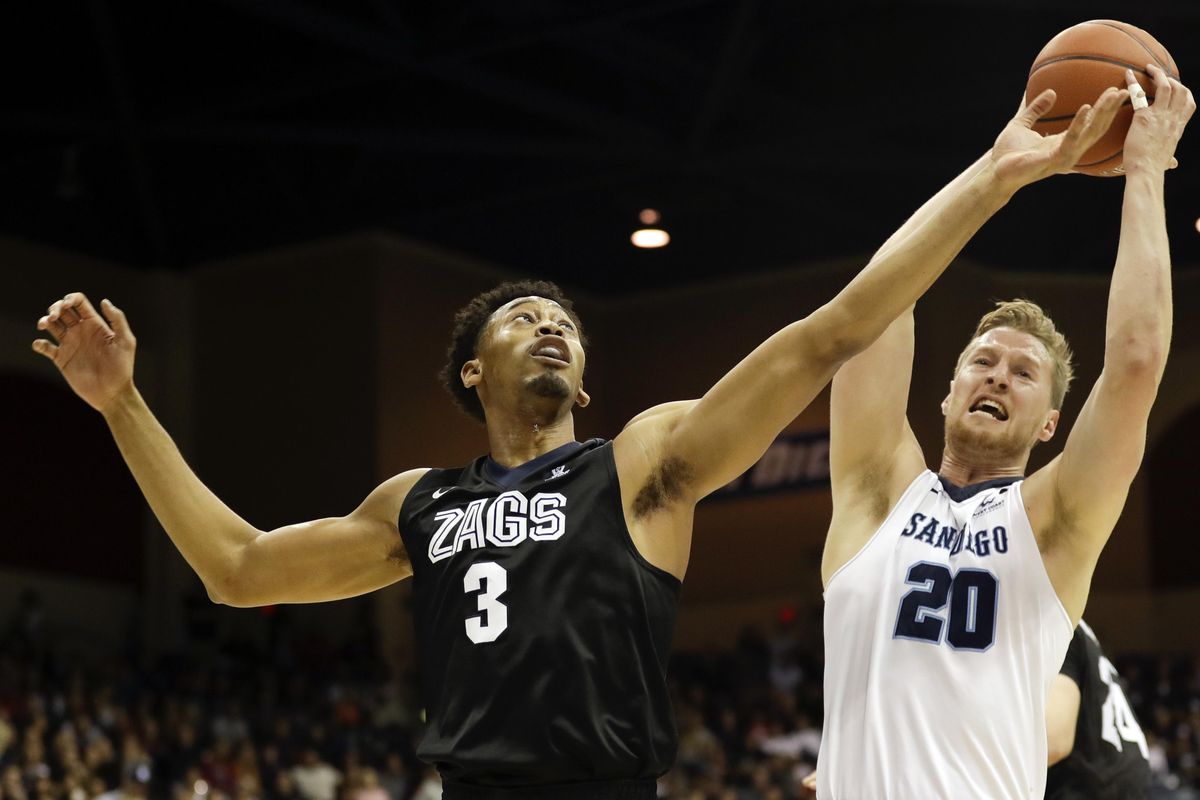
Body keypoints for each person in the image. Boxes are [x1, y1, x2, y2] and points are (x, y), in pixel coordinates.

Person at [33, 78, 1128, 799]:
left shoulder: (642, 463)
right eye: (523, 313)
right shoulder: (417, 503)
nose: (553, 320)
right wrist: (121, 404)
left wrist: (996, 174)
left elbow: (829, 334)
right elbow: (234, 567)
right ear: (473, 370)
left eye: (566, 316)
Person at [816, 64, 1193, 800]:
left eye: (1023, 373)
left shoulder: (1054, 525)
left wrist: (1144, 171)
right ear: (948, 390)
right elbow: (873, 306)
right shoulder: (873, 493)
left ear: (1052, 423)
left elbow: (1139, 363)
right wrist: (996, 173)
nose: (996, 375)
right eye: (982, 361)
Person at [1046, 621, 1151, 799]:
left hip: (1094, 785)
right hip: (1120, 781)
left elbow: (1054, 744)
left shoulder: (1054, 624)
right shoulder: (1072, 624)